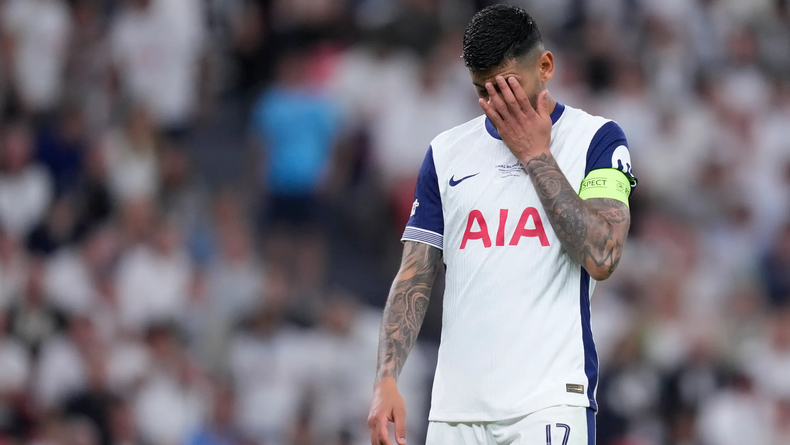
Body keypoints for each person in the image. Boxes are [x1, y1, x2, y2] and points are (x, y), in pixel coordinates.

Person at [367, 5, 637, 445]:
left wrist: (535, 156)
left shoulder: (597, 139)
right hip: (455, 413)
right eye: (484, 91)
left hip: (549, 401)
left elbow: (603, 255)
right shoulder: (446, 153)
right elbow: (414, 275)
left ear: (545, 67)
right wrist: (386, 379)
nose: (498, 104)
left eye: (509, 87)